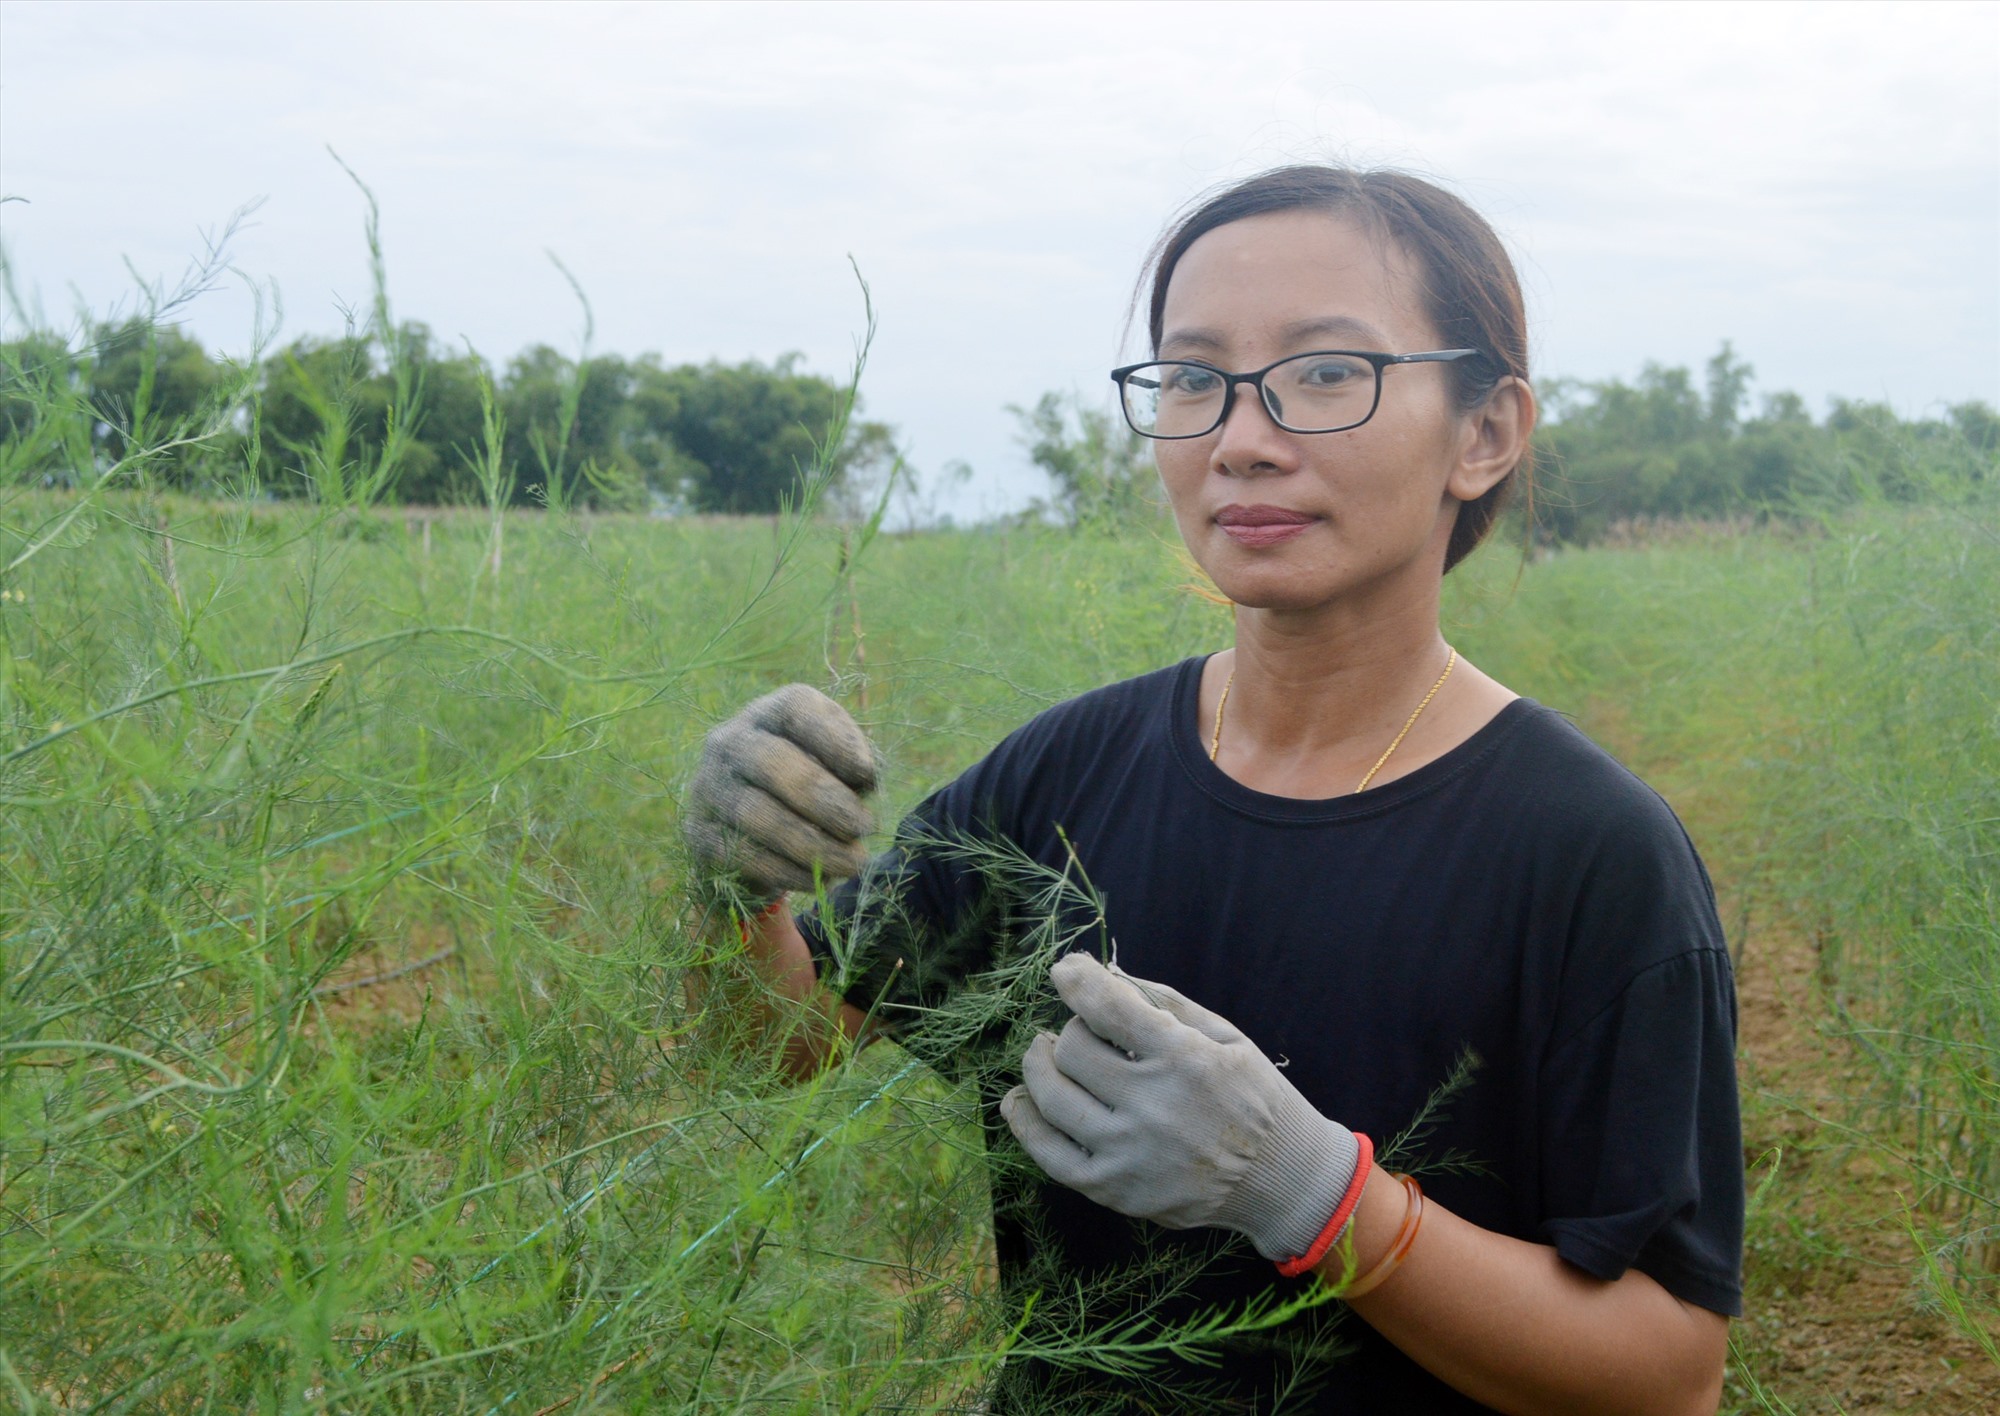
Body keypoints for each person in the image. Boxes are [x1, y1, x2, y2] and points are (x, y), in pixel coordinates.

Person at [682, 165, 1743, 1415]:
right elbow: (779, 1046)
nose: (1241, 437)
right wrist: (729, 896)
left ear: (1483, 433)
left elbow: (1665, 1376)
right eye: (1191, 378)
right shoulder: (1064, 777)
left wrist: (1311, 1195)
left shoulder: (1587, 852)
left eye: (1326, 373)